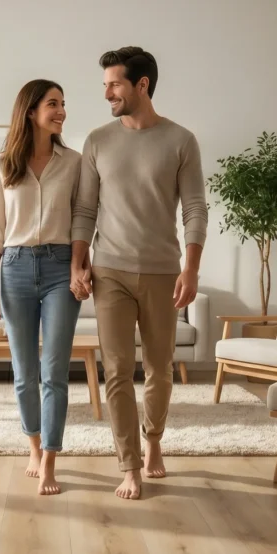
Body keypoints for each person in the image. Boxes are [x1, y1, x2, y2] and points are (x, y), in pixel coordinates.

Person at [70, 47, 208, 500]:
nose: (106, 92)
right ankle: (128, 465)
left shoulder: (181, 140)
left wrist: (191, 267)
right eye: (106, 84)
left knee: (159, 369)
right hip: (108, 270)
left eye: (114, 84)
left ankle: (153, 442)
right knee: (116, 371)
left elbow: (194, 209)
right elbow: (85, 209)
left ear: (141, 85)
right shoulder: (97, 141)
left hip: (162, 272)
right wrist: (78, 259)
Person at [0, 79, 83, 496]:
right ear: (30, 111)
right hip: (15, 267)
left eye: (63, 104)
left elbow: (83, 220)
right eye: (53, 104)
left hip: (62, 268)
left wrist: (81, 266)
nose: (61, 111)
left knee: (54, 371)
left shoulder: (76, 163)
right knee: (25, 373)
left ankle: (50, 462)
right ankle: (33, 446)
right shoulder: (2, 164)